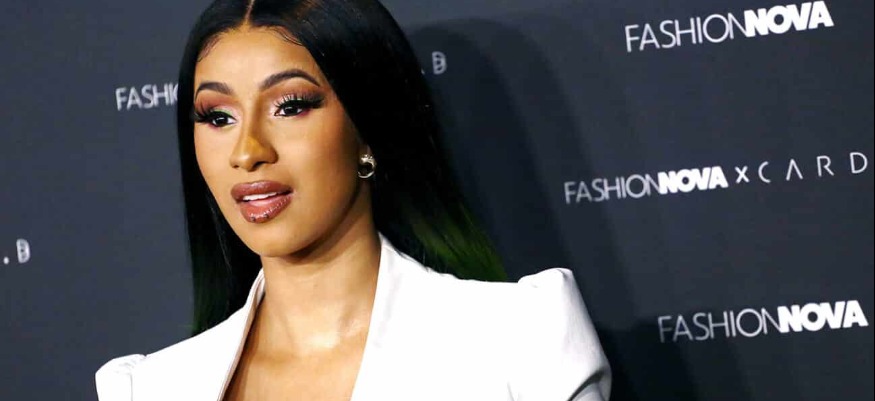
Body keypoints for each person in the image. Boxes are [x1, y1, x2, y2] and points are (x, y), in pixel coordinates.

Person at [95, 0, 611, 400]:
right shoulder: (151, 388)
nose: (247, 151)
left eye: (290, 106)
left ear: (368, 129)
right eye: (218, 117)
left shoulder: (520, 340)